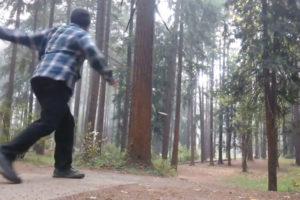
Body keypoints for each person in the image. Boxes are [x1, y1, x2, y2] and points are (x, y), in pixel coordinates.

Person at [0, 8, 116, 184]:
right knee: (48, 122)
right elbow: (93, 53)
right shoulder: (81, 35)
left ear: (71, 19)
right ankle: (6, 152)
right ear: (87, 25)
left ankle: (63, 167)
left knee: (66, 122)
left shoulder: (54, 32)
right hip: (57, 80)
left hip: (40, 78)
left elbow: (25, 36)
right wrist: (108, 75)